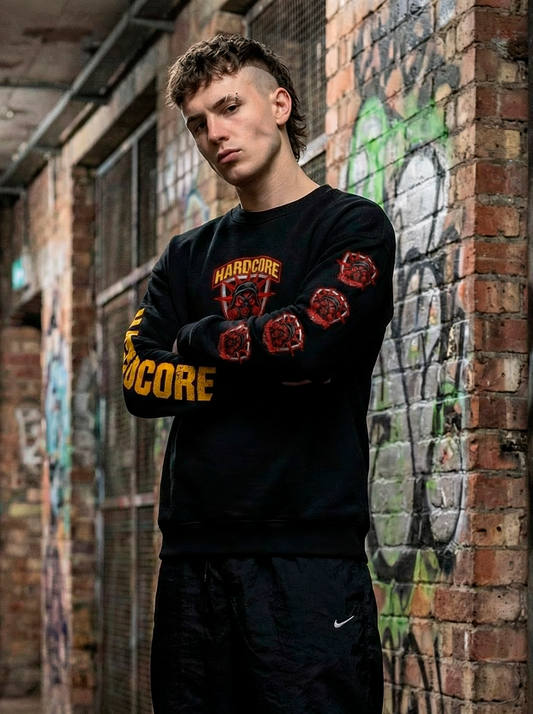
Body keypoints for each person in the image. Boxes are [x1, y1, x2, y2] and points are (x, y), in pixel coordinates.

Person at [123, 33, 395, 714]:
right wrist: (264, 371)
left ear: (278, 104)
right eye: (198, 124)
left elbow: (309, 344)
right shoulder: (185, 255)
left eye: (228, 107)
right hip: (193, 562)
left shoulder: (351, 227)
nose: (214, 134)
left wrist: (200, 339)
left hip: (308, 559)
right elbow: (140, 381)